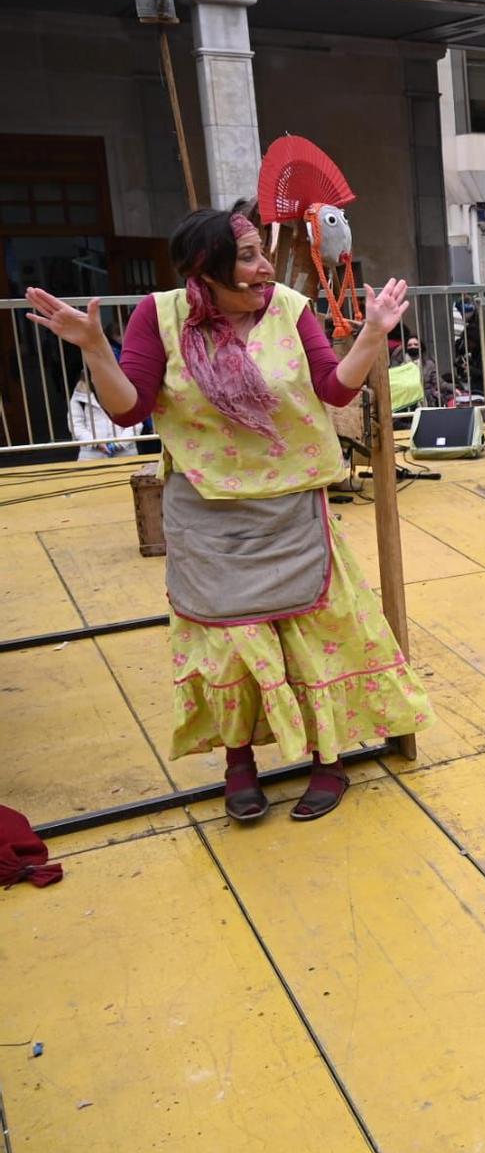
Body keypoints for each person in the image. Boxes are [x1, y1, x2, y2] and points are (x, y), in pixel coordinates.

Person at [24, 205, 431, 821]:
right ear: (204, 269)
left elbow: (333, 388)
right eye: (247, 256)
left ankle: (329, 761)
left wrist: (373, 334)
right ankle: (238, 766)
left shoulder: (290, 309)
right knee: (226, 647)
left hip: (292, 506)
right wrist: (94, 351)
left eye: (261, 254)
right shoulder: (158, 317)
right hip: (207, 511)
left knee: (314, 639)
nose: (265, 266)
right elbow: (131, 410)